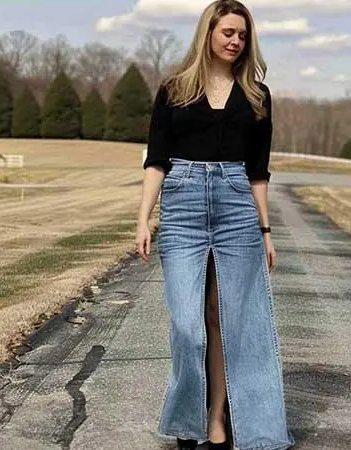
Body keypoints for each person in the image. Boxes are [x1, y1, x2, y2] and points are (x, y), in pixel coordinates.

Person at [135, 1, 293, 449]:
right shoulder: (174, 90)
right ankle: (188, 417)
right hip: (183, 205)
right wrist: (143, 219)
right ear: (208, 33)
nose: (235, 41)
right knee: (188, 321)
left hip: (236, 206)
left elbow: (259, 172)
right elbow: (156, 160)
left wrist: (265, 231)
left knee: (231, 319)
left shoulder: (258, 96)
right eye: (227, 32)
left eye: (242, 35)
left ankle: (216, 419)